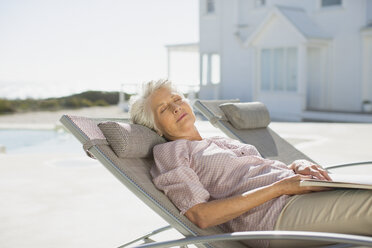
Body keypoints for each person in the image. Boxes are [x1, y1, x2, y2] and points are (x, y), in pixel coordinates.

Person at [130, 79, 372, 248]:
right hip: (273, 218)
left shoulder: (218, 141)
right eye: (163, 109)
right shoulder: (171, 152)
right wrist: (282, 188)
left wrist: (296, 166)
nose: (175, 108)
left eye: (177, 99)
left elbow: (261, 172)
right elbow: (201, 216)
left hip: (296, 197)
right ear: (155, 127)